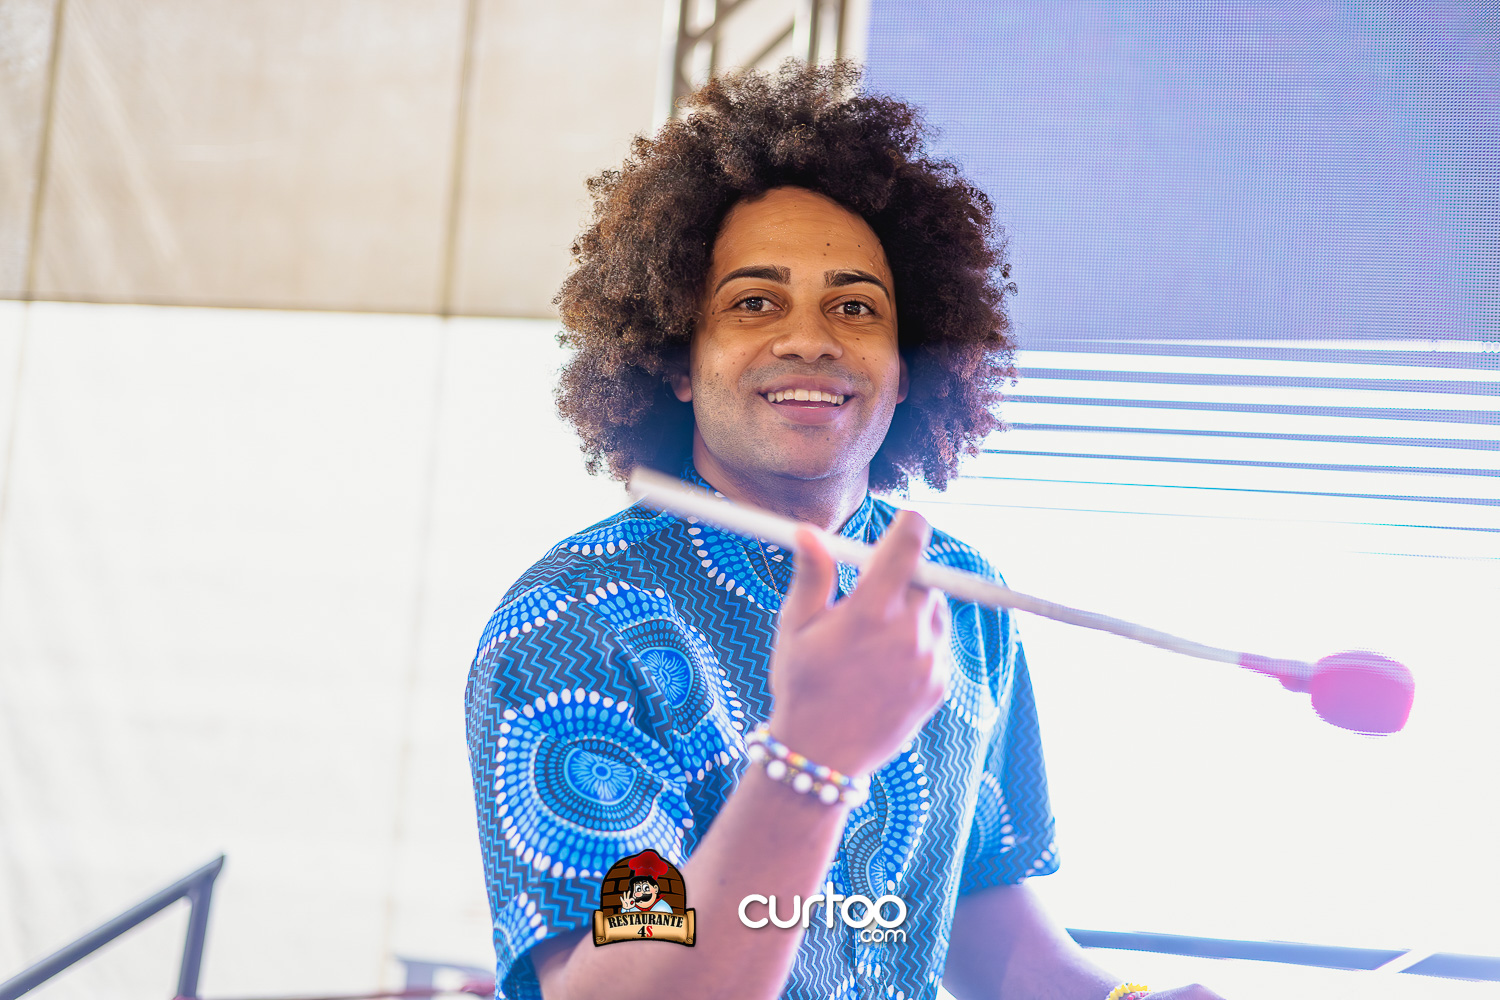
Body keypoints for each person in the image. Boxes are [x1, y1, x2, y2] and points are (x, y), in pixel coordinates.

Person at [465, 61, 1224, 1000]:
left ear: (906, 370)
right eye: (753, 302)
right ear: (675, 363)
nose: (810, 339)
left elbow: (978, 916)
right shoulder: (575, 621)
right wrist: (812, 758)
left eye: (855, 306)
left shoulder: (957, 596)